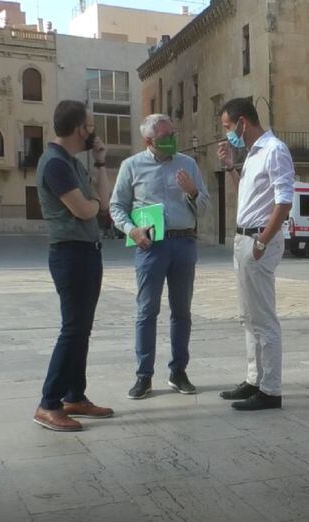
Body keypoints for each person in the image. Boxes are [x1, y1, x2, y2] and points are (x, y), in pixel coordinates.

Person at [111, 114, 210, 399]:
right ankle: (144, 375)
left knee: (182, 312)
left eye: (173, 133)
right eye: (165, 136)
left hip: (184, 243)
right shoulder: (131, 166)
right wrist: (132, 231)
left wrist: (192, 191)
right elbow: (117, 207)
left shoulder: (188, 164)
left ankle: (178, 371)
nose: (171, 139)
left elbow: (203, 207)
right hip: (150, 246)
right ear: (149, 141)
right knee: (146, 311)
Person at [33, 100, 114, 431]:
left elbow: (103, 201)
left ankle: (74, 397)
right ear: (81, 129)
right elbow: (84, 209)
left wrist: (100, 163)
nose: (94, 131)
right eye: (91, 125)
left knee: (82, 328)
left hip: (86, 250)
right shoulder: (54, 164)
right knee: (72, 329)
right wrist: (94, 204)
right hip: (70, 253)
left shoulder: (74, 163)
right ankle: (48, 404)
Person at [216, 97, 293, 411]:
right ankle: (254, 379)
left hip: (258, 241)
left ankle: (270, 390)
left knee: (263, 319)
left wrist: (262, 241)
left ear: (242, 122)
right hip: (244, 240)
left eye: (227, 127)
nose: (227, 133)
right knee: (248, 317)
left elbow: (283, 201)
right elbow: (246, 195)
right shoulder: (252, 154)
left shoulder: (274, 150)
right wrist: (230, 167)